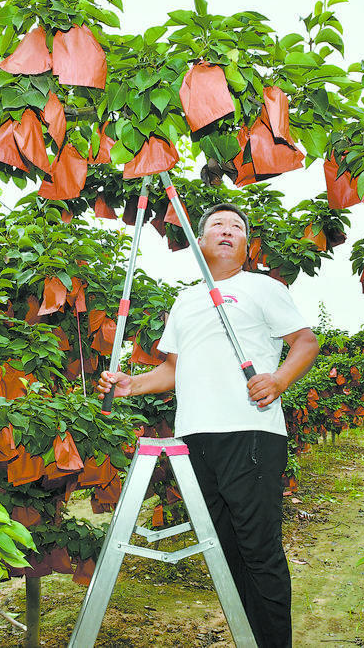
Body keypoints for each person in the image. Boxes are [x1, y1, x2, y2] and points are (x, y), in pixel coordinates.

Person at [97, 202, 319, 648]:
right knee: (226, 551)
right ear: (198, 242)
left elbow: (305, 341)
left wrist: (277, 379)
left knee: (259, 550)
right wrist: (131, 385)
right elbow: (173, 371)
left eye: (235, 227)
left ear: (247, 246)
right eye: (216, 225)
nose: (225, 230)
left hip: (250, 433)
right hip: (195, 439)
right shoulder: (185, 300)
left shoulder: (262, 288)